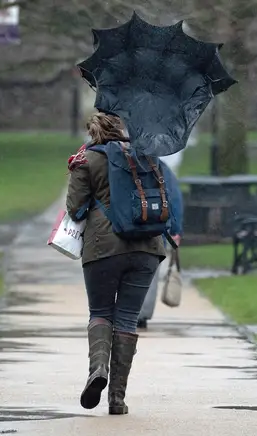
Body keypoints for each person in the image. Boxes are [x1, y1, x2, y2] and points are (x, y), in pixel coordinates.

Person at [66, 112, 166, 415]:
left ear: (93, 130)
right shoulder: (147, 155)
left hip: (103, 247)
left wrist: (74, 173)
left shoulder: (87, 159)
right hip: (147, 247)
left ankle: (98, 370)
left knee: (100, 312)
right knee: (126, 319)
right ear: (122, 128)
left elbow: (75, 210)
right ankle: (117, 399)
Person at [137, 163, 184, 329]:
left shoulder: (118, 165)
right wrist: (176, 230)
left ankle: (122, 312)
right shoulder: (162, 170)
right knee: (150, 274)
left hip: (126, 231)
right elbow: (175, 200)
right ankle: (142, 314)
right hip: (155, 233)